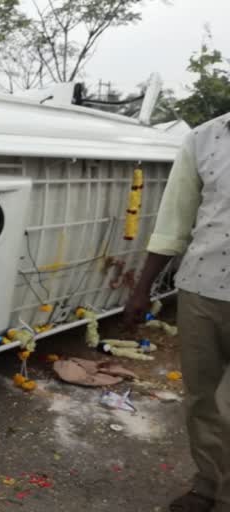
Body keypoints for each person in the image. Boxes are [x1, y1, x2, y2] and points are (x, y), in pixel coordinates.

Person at [124, 112, 230, 512]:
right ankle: (207, 484)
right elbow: (175, 219)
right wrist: (142, 286)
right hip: (202, 289)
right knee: (201, 398)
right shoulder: (204, 139)